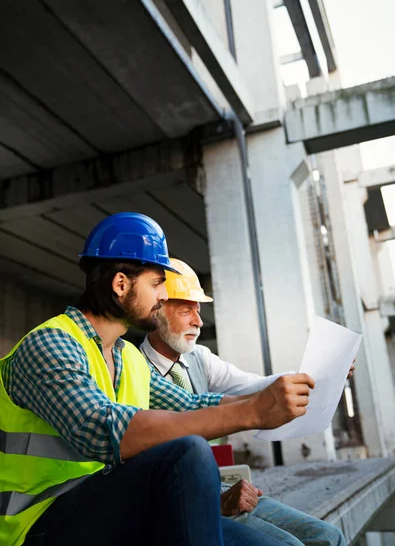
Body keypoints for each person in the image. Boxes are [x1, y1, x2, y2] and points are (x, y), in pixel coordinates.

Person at [0, 212, 315, 546]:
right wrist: (253, 412)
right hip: (37, 526)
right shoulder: (50, 343)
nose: (163, 296)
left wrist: (269, 399)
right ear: (120, 284)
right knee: (187, 452)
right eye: (156, 283)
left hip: (109, 507)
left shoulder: (128, 357)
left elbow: (192, 405)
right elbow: (101, 430)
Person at [141, 258, 348, 546]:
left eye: (198, 311)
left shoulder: (198, 358)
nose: (198, 322)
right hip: (179, 498)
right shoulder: (137, 368)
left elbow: (251, 384)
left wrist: (312, 377)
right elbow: (193, 405)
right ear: (157, 309)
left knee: (329, 537)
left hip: (216, 486)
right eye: (187, 311)